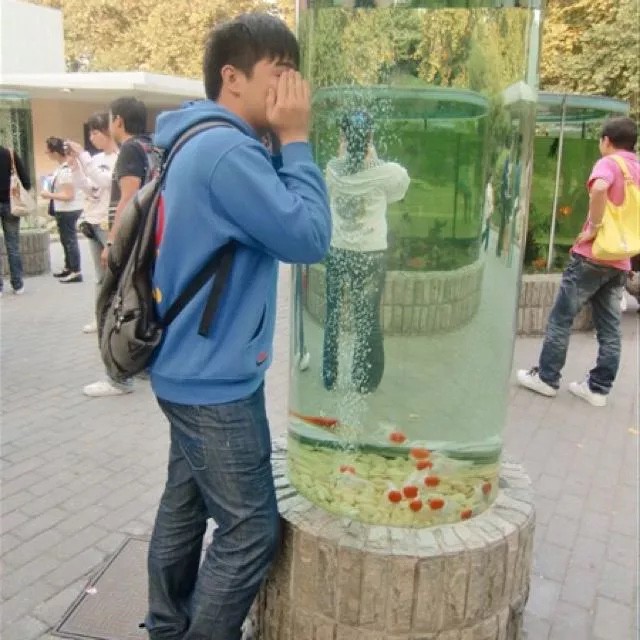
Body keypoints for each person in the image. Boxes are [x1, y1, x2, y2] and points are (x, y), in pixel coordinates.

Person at [144, 13, 331, 640]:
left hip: (187, 366)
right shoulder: (228, 153)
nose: (291, 89)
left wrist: (278, 139)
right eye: (280, 73)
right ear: (233, 77)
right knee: (251, 531)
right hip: (216, 382)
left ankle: (167, 626)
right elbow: (308, 237)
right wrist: (297, 139)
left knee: (184, 507)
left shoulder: (198, 138)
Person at [517, 117, 639, 407]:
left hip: (593, 256)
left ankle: (546, 378)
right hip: (620, 259)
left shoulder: (609, 163)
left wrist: (594, 227)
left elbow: (599, 188)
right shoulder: (637, 168)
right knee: (609, 328)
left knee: (561, 318)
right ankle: (598, 389)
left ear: (606, 140)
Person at [322, 110, 409, 394]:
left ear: (343, 138)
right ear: (370, 137)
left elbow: (327, 193)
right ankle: (366, 381)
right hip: (371, 253)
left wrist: (345, 157)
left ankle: (330, 374)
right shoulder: (387, 172)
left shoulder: (332, 169)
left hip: (338, 250)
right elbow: (398, 191)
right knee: (367, 316)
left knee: (333, 313)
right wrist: (373, 160)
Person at [83, 97, 152, 397]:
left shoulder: (130, 149)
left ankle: (117, 376)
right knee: (141, 300)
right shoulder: (152, 147)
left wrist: (112, 241)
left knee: (112, 303)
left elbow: (128, 196)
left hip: (129, 239)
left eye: (111, 119)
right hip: (147, 238)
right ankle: (142, 364)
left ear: (119, 121)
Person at [66, 112, 119, 333]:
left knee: (115, 273)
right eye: (90, 133)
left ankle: (119, 316)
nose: (92, 137)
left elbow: (106, 182)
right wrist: (75, 167)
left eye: (95, 132)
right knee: (99, 275)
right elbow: (89, 188)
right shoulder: (95, 160)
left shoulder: (119, 157)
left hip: (110, 223)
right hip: (93, 221)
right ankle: (100, 317)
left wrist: (84, 158)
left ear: (108, 131)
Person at [41, 137, 84, 283]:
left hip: (68, 209)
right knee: (66, 239)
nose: (47, 154)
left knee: (70, 240)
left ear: (55, 152)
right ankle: (69, 267)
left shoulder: (66, 170)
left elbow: (68, 195)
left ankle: (75, 270)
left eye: (47, 151)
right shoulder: (61, 168)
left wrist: (48, 195)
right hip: (63, 208)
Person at [0, 142, 30, 297]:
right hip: (11, 205)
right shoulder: (10, 154)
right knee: (13, 246)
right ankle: (18, 285)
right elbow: (26, 182)